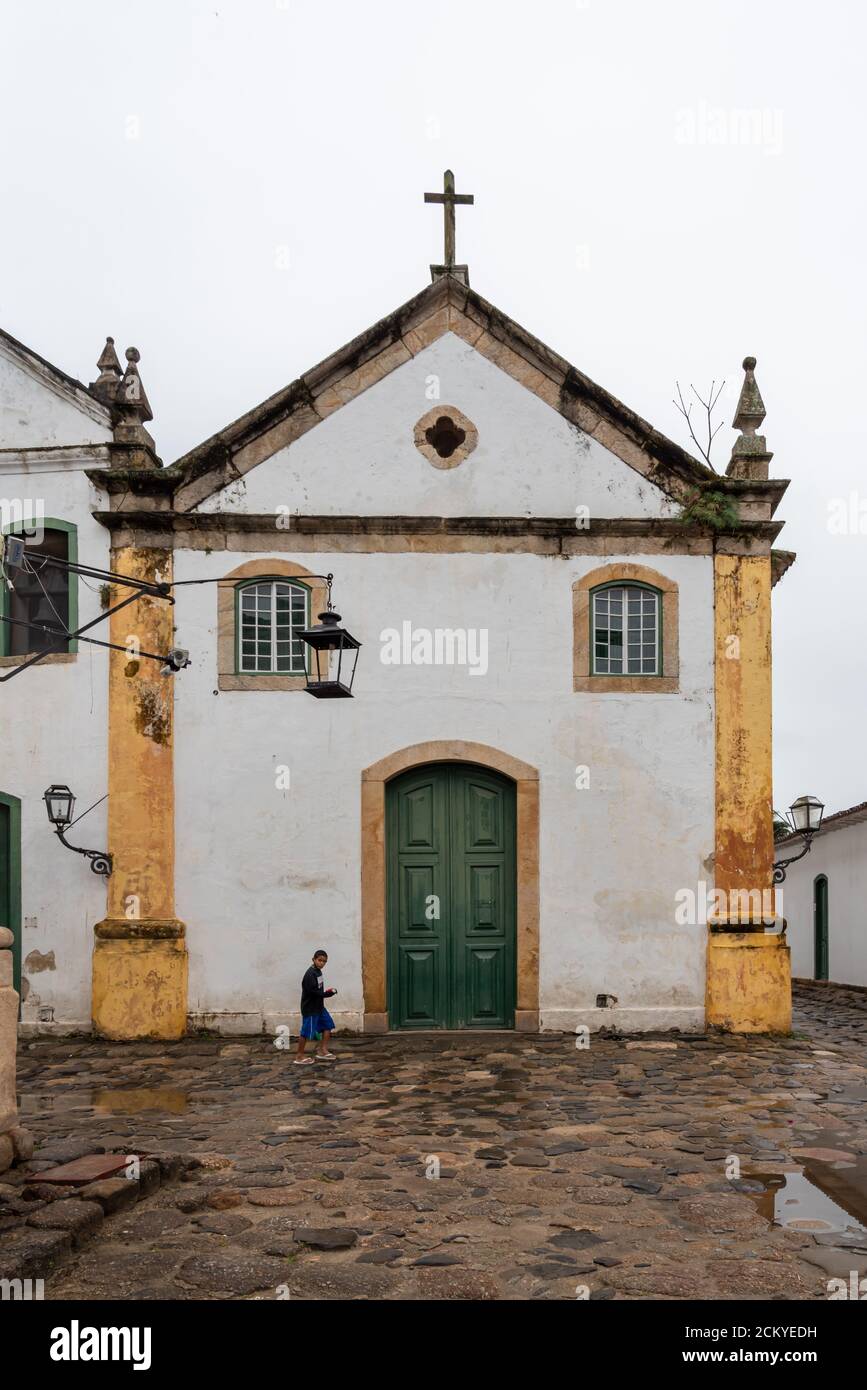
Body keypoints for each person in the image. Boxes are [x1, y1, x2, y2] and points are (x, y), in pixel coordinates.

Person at [294, 949, 337, 1065]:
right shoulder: (309, 974)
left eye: (324, 961)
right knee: (306, 1032)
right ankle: (299, 1056)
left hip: (319, 1007)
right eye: (320, 960)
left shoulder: (318, 972)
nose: (322, 963)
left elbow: (319, 989)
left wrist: (326, 992)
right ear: (313, 959)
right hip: (311, 1008)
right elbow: (313, 992)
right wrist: (327, 994)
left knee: (328, 1025)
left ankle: (322, 1051)